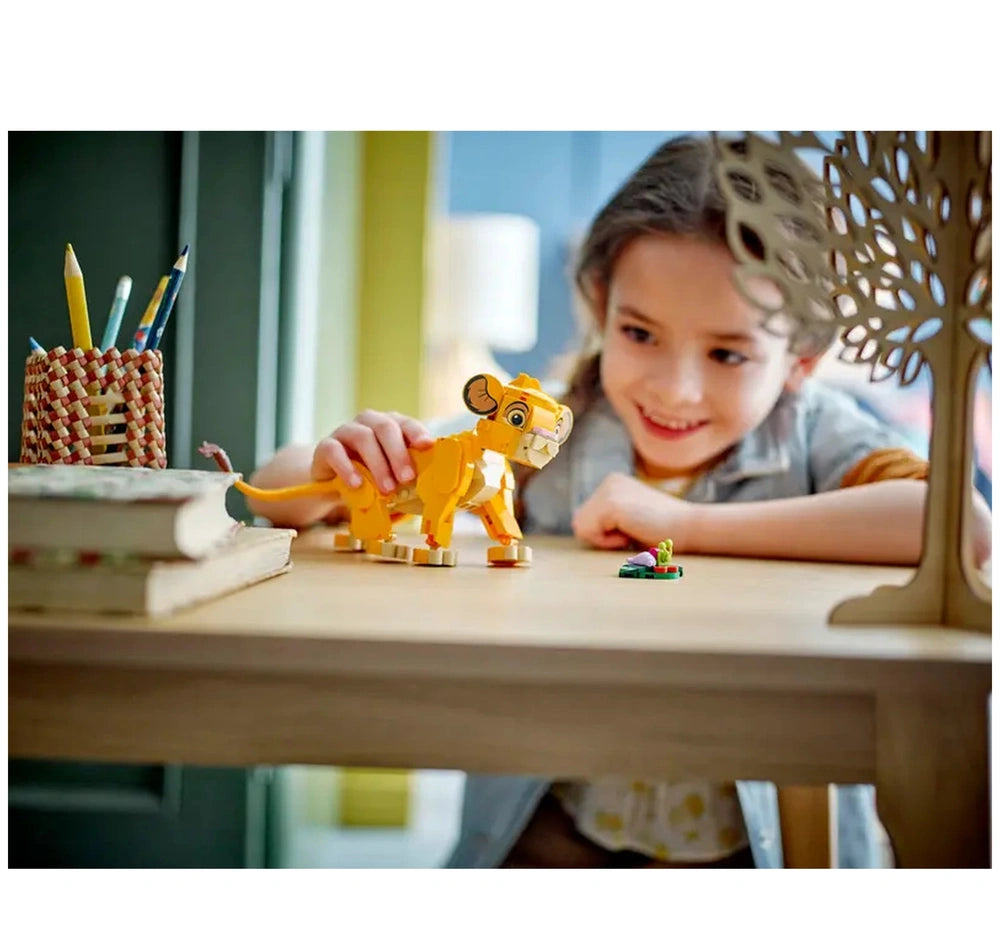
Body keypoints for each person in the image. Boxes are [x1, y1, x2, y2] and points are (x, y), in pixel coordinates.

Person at [247, 135, 992, 868]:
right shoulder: (546, 430)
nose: (675, 389)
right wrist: (338, 461)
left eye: (728, 353)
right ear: (601, 305)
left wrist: (685, 525)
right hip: (556, 829)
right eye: (640, 333)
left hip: (749, 851)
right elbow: (278, 495)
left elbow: (962, 527)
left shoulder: (817, 434)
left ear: (802, 357)